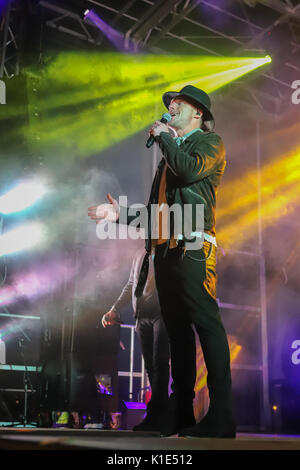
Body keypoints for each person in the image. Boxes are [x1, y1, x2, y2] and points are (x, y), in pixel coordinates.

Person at [88, 85, 236, 438]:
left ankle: (222, 415)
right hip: (166, 252)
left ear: (198, 113)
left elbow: (188, 172)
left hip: (194, 248)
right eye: (170, 104)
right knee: (179, 335)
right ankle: (181, 412)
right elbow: (158, 216)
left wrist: (164, 138)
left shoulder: (207, 144)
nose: (171, 107)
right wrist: (119, 213)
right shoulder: (169, 155)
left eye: (179, 104)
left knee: (206, 325)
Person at [101, 247, 170, 432]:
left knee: (160, 364)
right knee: (151, 367)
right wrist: (115, 308)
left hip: (162, 313)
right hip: (141, 316)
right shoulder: (139, 253)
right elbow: (131, 283)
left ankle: (159, 415)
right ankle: (157, 416)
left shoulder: (170, 248)